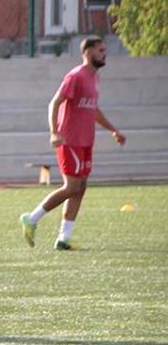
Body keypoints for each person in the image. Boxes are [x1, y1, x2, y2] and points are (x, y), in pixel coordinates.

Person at [19, 36, 126, 250]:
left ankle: (63, 238)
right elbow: (54, 102)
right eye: (100, 50)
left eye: (104, 50)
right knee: (72, 186)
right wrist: (54, 132)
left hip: (86, 140)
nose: (104, 53)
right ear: (87, 52)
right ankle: (31, 218)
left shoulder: (95, 78)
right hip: (70, 140)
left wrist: (113, 130)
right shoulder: (75, 76)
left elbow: (93, 109)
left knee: (81, 187)